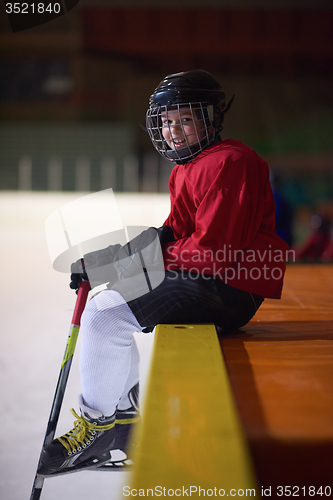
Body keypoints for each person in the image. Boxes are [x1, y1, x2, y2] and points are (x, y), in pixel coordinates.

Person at [39, 70, 289, 475]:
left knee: (106, 313)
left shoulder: (230, 162)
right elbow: (173, 233)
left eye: (185, 120)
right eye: (167, 121)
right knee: (107, 305)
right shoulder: (186, 168)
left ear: (211, 119)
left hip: (232, 286)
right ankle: (122, 424)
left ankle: (100, 428)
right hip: (212, 277)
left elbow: (213, 253)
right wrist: (109, 260)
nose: (173, 131)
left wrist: (129, 266)